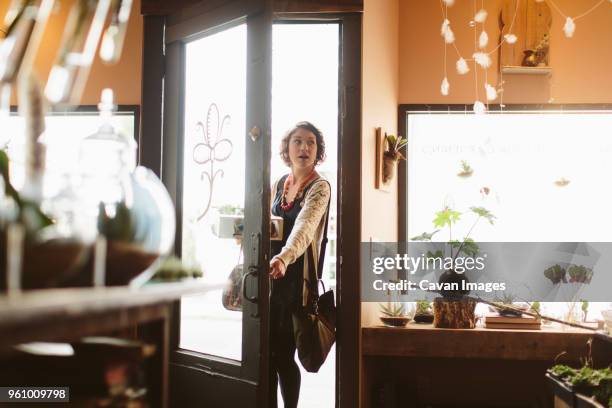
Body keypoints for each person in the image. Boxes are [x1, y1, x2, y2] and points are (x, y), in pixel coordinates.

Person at [268, 121, 331, 408]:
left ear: (318, 151)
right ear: (287, 148)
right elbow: (267, 224)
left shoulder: (320, 187)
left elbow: (304, 228)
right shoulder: (280, 184)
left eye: (310, 142)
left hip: (295, 283)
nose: (304, 147)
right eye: (297, 141)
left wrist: (284, 257)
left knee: (283, 356)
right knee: (266, 355)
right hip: (269, 277)